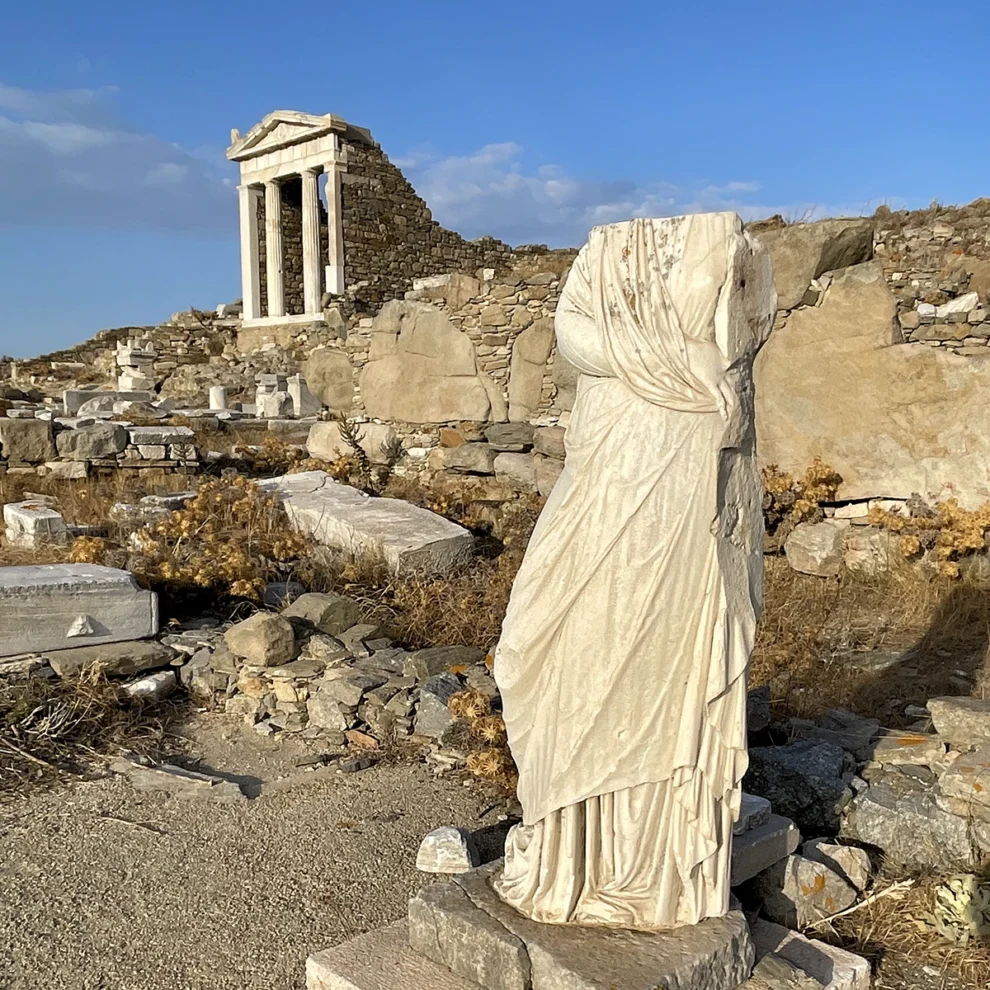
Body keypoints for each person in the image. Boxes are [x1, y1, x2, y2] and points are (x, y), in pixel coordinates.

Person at [492, 212, 775, 930]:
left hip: (683, 474)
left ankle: (649, 868)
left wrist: (697, 370)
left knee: (661, 656)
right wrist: (678, 361)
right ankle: (571, 849)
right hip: (609, 461)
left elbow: (742, 339)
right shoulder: (602, 254)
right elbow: (573, 331)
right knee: (543, 640)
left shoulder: (729, 247)